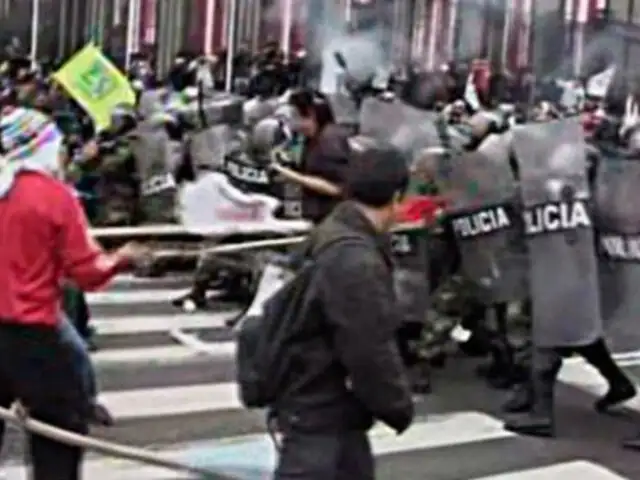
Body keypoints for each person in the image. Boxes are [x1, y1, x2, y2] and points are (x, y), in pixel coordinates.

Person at [0, 107, 148, 479]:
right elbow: (87, 273)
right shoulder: (53, 196)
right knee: (58, 442)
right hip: (32, 336)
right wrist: (121, 259)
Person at [273, 141, 414, 480]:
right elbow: (368, 346)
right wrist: (397, 406)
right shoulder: (355, 259)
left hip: (315, 401)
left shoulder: (330, 231)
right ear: (396, 198)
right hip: (320, 410)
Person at [273, 88, 351, 223]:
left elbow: (337, 188)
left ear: (310, 114)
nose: (292, 120)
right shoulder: (310, 138)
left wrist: (291, 176)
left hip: (331, 218)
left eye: (295, 114)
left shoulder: (330, 140)